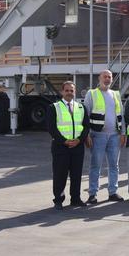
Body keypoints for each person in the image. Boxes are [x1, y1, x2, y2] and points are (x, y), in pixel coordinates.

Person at [84, 70, 126, 204]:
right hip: (97, 135)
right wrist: (86, 134)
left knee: (114, 166)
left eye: (109, 77)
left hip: (114, 135)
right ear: (99, 78)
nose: (107, 79)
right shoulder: (92, 93)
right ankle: (92, 194)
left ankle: (113, 192)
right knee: (95, 166)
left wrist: (123, 133)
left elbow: (121, 115)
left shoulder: (115, 94)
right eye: (105, 77)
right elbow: (86, 115)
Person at [47, 81, 90, 209]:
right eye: (67, 90)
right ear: (62, 92)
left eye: (72, 90)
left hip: (77, 146)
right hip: (61, 147)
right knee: (60, 175)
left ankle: (75, 199)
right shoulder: (54, 107)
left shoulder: (81, 107)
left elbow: (86, 126)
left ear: (74, 92)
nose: (69, 93)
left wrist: (79, 140)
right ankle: (58, 200)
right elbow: (51, 128)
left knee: (76, 175)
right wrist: (64, 141)